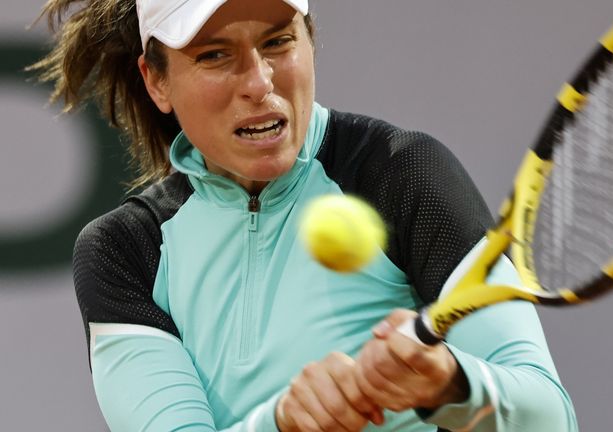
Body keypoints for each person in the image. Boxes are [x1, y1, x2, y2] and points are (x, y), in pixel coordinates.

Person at [33, 0, 579, 430]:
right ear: (156, 79)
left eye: (278, 43)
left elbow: (551, 419)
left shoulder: (401, 173)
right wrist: (283, 421)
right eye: (215, 55)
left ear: (310, 41)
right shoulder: (124, 251)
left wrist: (453, 386)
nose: (259, 82)